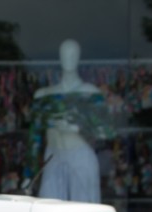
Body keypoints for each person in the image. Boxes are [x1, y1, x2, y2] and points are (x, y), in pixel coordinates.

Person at [28, 39, 110, 202]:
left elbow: (105, 132)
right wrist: (29, 173)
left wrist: (76, 128)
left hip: (81, 154)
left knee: (83, 211)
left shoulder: (91, 94)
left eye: (73, 54)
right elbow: (34, 138)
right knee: (49, 209)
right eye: (65, 53)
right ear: (59, 57)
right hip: (53, 155)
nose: (69, 58)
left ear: (79, 57)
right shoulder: (44, 96)